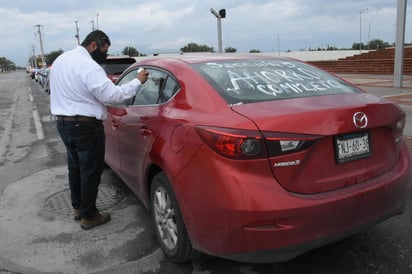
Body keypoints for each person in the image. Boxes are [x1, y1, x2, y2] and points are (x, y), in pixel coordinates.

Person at [49, 30, 148, 230]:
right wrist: (138, 81)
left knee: (75, 168)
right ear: (93, 45)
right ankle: (89, 215)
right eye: (103, 51)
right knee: (90, 171)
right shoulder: (88, 65)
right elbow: (112, 96)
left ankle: (78, 207)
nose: (104, 56)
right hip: (85, 126)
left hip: (63, 123)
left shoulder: (60, 61)